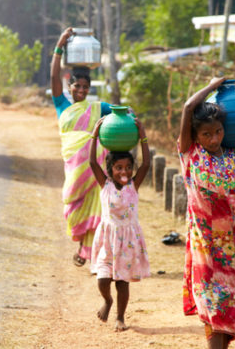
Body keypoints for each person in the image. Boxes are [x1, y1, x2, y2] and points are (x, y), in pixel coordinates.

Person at [177, 77, 235, 349]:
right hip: (205, 243)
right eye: (206, 134)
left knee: (229, 306)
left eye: (218, 132)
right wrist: (213, 86)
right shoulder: (191, 154)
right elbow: (189, 107)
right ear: (196, 135)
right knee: (213, 307)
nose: (214, 139)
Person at [51, 27, 113, 267]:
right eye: (77, 87)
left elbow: (123, 112)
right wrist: (59, 46)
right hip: (75, 167)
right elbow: (54, 78)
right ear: (70, 87)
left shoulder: (98, 107)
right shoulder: (61, 105)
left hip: (94, 166)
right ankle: (86, 248)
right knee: (73, 205)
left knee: (96, 205)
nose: (81, 91)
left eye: (85, 88)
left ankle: (90, 252)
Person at [88, 116, 150, 332]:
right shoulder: (104, 184)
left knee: (122, 283)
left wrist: (142, 135)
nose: (124, 172)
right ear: (110, 170)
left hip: (128, 243)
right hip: (108, 240)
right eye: (118, 167)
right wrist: (95, 135)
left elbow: (147, 163)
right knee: (103, 280)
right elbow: (91, 162)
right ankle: (107, 300)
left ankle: (120, 317)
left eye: (128, 167)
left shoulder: (134, 185)